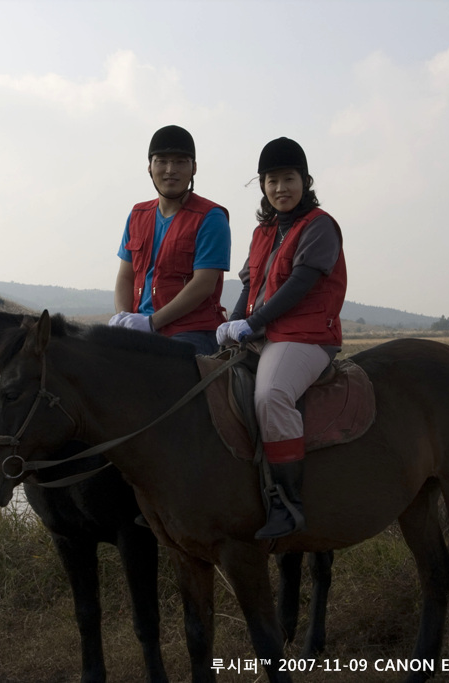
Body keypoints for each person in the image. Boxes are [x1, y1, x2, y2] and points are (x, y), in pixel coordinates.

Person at [217, 137, 347, 539]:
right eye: (271, 181)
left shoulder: (320, 226)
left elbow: (299, 286)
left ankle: (288, 504)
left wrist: (252, 326)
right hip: (266, 334)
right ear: (262, 186)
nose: (280, 188)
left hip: (305, 337)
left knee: (270, 395)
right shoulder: (264, 231)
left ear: (305, 181)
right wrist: (232, 324)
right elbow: (249, 287)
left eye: (288, 179)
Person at [110, 125, 231, 355]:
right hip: (141, 329)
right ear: (149, 166)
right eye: (161, 161)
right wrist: (123, 318)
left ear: (194, 168)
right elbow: (126, 276)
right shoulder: (137, 215)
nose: (169, 170)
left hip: (191, 331)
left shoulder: (211, 217)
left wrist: (152, 323)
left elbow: (204, 284)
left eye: (180, 162)